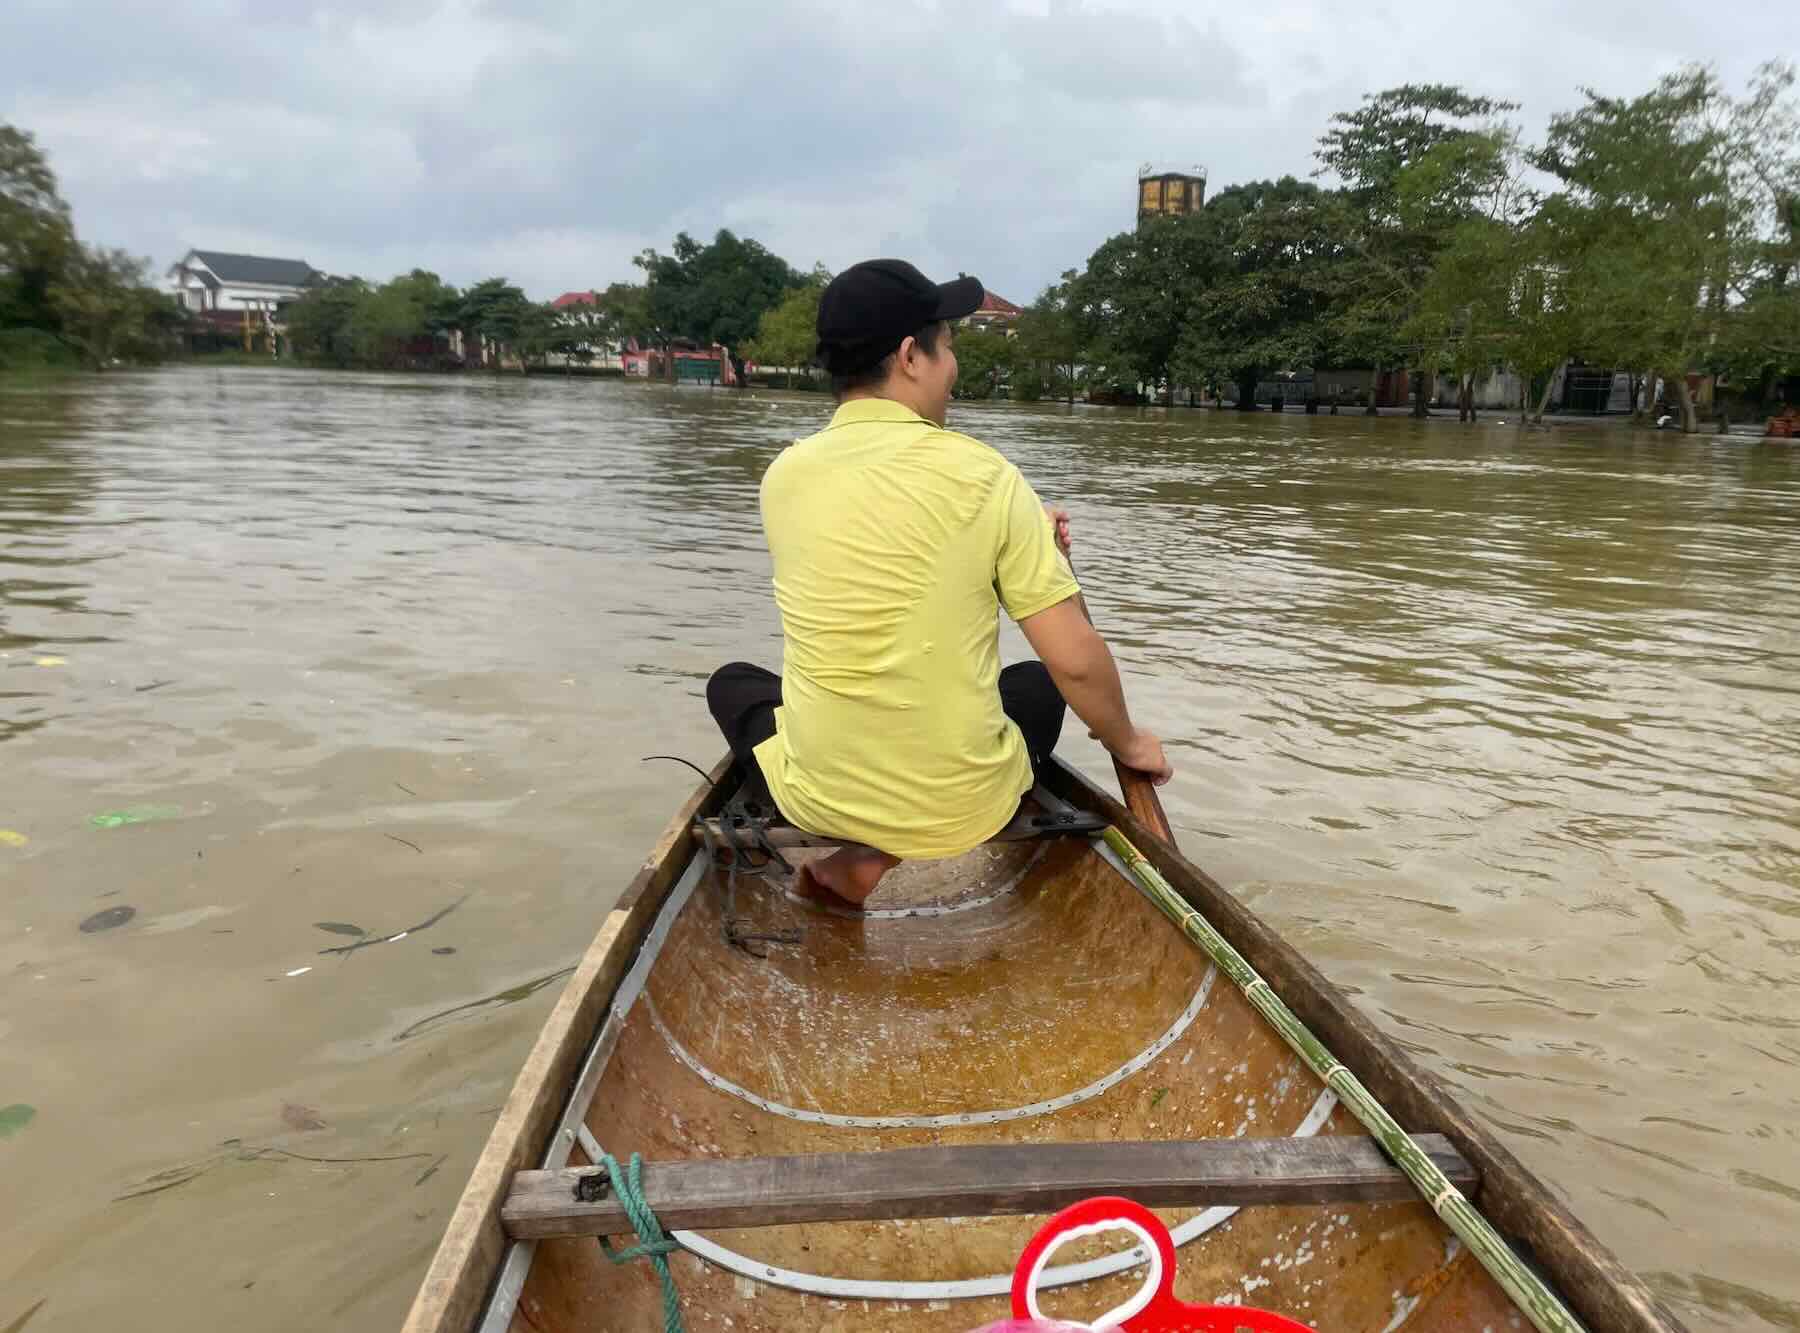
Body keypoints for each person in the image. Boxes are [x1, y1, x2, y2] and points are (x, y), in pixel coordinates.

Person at [706, 259, 1172, 909]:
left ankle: (864, 844)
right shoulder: (989, 477)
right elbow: (1075, 661)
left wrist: (1024, 534)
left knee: (734, 683)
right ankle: (882, 845)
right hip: (964, 805)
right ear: (909, 356)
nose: (953, 367)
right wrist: (1129, 741)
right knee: (1038, 684)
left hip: (820, 791)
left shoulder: (781, 477)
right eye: (948, 345)